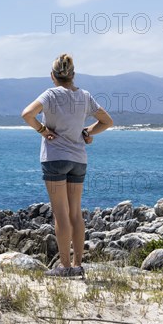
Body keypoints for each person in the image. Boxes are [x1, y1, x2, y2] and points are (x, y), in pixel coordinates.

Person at [21, 53, 113, 277]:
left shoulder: (51, 94)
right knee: (75, 213)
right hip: (78, 160)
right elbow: (107, 121)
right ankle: (78, 265)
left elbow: (27, 114)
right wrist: (87, 132)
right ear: (73, 75)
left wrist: (43, 131)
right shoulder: (85, 96)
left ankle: (64, 267)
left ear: (53, 76)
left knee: (60, 214)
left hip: (54, 159)